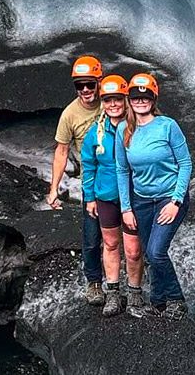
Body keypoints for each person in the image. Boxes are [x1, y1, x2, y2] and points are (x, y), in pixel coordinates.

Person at [115, 72, 193, 319]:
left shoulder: (167, 126)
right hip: (141, 201)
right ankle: (158, 302)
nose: (141, 101)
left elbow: (186, 163)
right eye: (136, 97)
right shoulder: (123, 130)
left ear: (153, 98)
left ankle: (176, 301)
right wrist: (126, 208)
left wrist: (176, 201)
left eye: (145, 97)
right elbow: (121, 169)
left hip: (169, 198)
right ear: (130, 100)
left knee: (157, 251)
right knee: (150, 252)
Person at [80, 75, 146, 316]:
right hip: (106, 195)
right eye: (108, 100)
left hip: (134, 195)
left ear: (125, 100)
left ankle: (135, 293)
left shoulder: (138, 128)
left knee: (133, 249)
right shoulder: (96, 133)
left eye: (117, 99)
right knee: (110, 243)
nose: (113, 105)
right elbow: (88, 164)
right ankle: (113, 294)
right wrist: (89, 198)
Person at [46, 55, 104, 305]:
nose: (85, 90)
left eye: (90, 84)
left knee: (129, 230)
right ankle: (94, 283)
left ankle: (132, 277)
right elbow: (61, 151)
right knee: (92, 237)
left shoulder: (113, 102)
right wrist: (53, 188)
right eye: (79, 85)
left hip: (122, 173)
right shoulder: (70, 114)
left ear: (99, 82)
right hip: (92, 178)